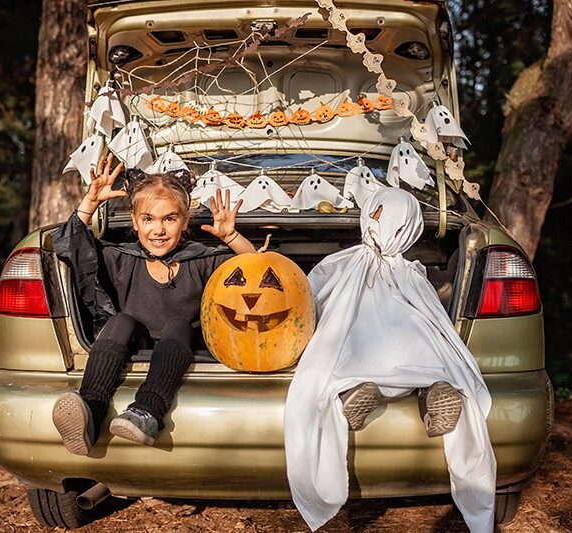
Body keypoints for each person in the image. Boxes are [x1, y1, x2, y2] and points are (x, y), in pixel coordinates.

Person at [284, 188, 496, 532]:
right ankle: (432, 394)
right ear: (411, 230)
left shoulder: (339, 263)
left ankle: (355, 392)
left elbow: (309, 297)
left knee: (340, 363)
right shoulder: (413, 272)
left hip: (358, 349)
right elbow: (435, 317)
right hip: (415, 354)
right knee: (432, 362)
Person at [51, 154, 255, 454]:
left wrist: (232, 236)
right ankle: (90, 410)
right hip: (135, 345)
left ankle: (146, 411)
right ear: (135, 222)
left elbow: (254, 270)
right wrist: (90, 203)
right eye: (148, 219)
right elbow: (72, 246)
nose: (157, 230)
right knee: (120, 321)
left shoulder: (201, 259)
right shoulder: (121, 258)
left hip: (182, 348)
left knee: (178, 325)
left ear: (184, 221)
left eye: (169, 219)